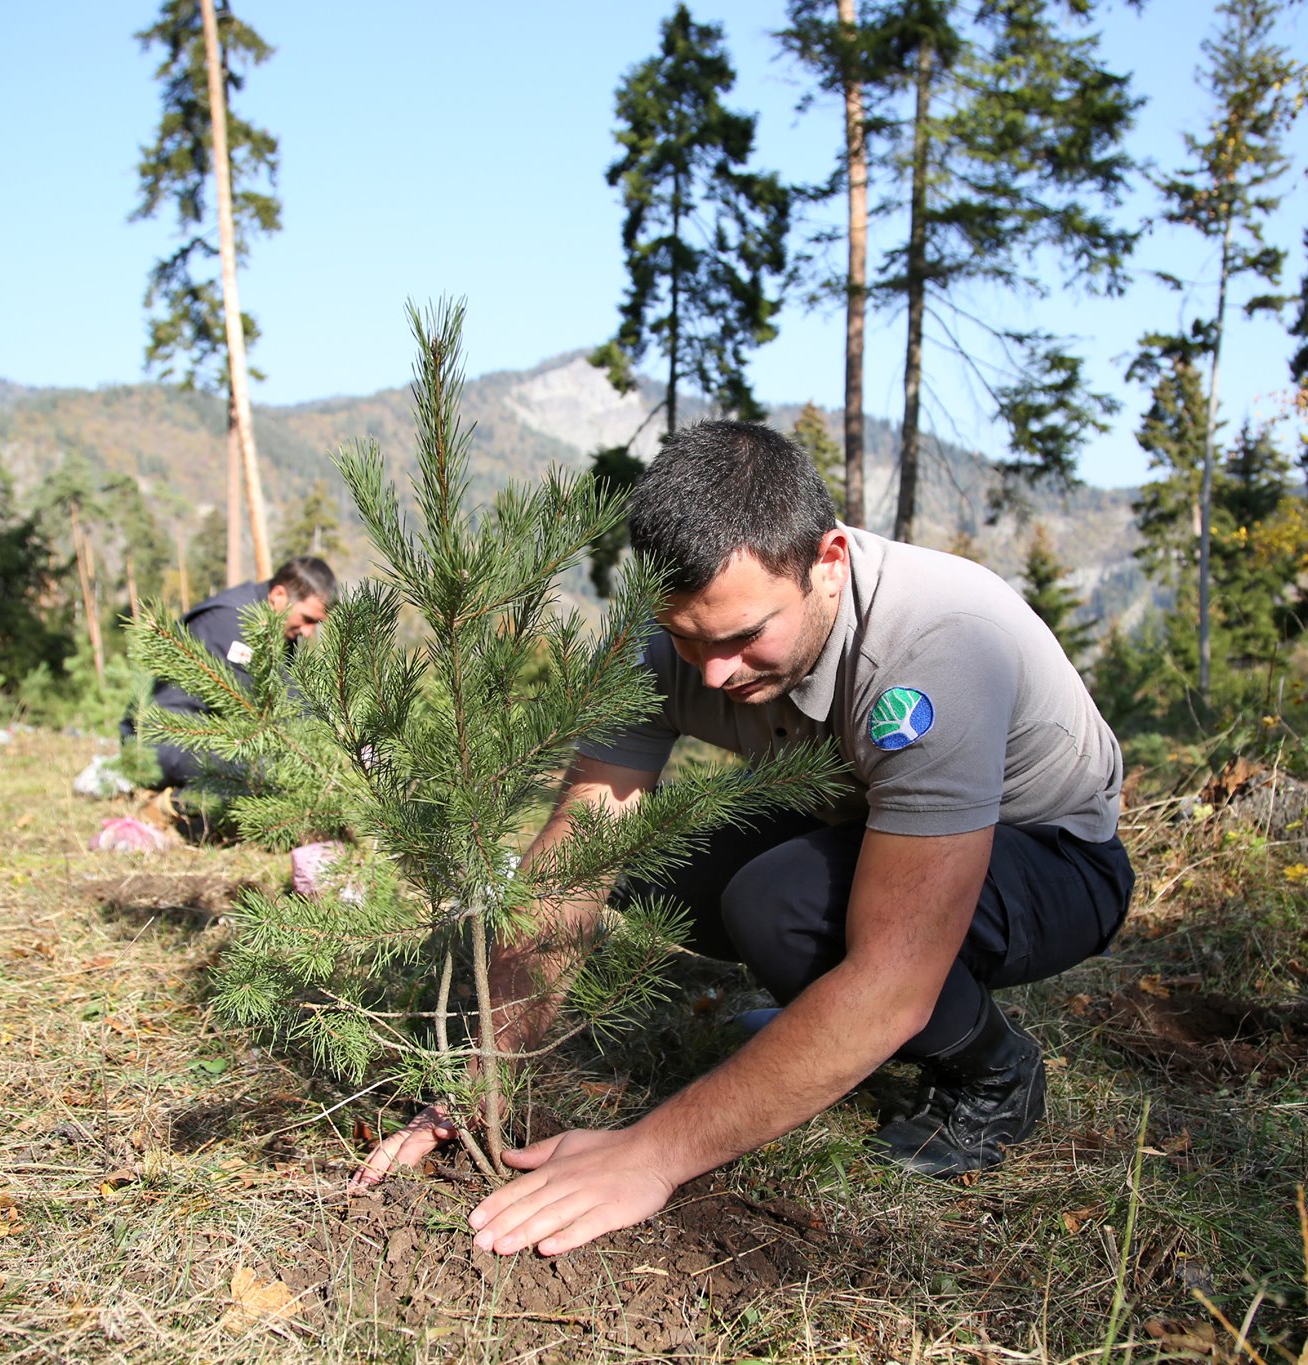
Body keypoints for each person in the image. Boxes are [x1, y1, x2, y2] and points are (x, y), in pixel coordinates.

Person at [356, 421, 1132, 1258]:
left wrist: (645, 1155)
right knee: (661, 853)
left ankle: (994, 1074)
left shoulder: (934, 648)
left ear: (827, 560)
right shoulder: (673, 646)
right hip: (867, 822)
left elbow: (893, 978)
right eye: (687, 637)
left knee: (781, 904)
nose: (713, 673)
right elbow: (578, 859)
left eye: (740, 635)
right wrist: (475, 1078)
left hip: (1051, 857)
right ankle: (820, 1025)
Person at [133, 556, 337, 789]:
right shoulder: (226, 622)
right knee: (262, 773)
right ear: (279, 595)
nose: (309, 632)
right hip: (167, 739)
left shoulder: (280, 631)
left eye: (316, 624)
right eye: (307, 619)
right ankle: (174, 807)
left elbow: (291, 700)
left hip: (217, 739)